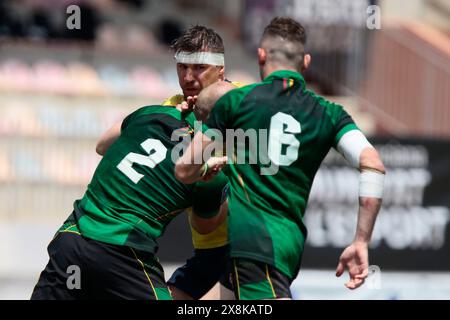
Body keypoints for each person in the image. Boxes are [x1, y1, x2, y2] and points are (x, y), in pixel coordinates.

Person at [175, 17, 386, 300]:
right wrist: (361, 241)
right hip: (284, 245)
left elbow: (184, 169)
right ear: (306, 61)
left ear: (261, 56)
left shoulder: (236, 102)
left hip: (254, 244)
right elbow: (373, 164)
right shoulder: (330, 113)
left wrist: (207, 166)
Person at [31, 103, 228, 300]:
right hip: (120, 251)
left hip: (72, 237)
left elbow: (101, 146)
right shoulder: (210, 176)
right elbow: (204, 226)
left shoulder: (153, 113)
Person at [161, 25, 239, 300]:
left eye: (199, 68)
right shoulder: (170, 111)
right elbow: (102, 146)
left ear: (221, 70)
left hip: (246, 247)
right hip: (207, 249)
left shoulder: (246, 104)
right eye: (182, 67)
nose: (189, 77)